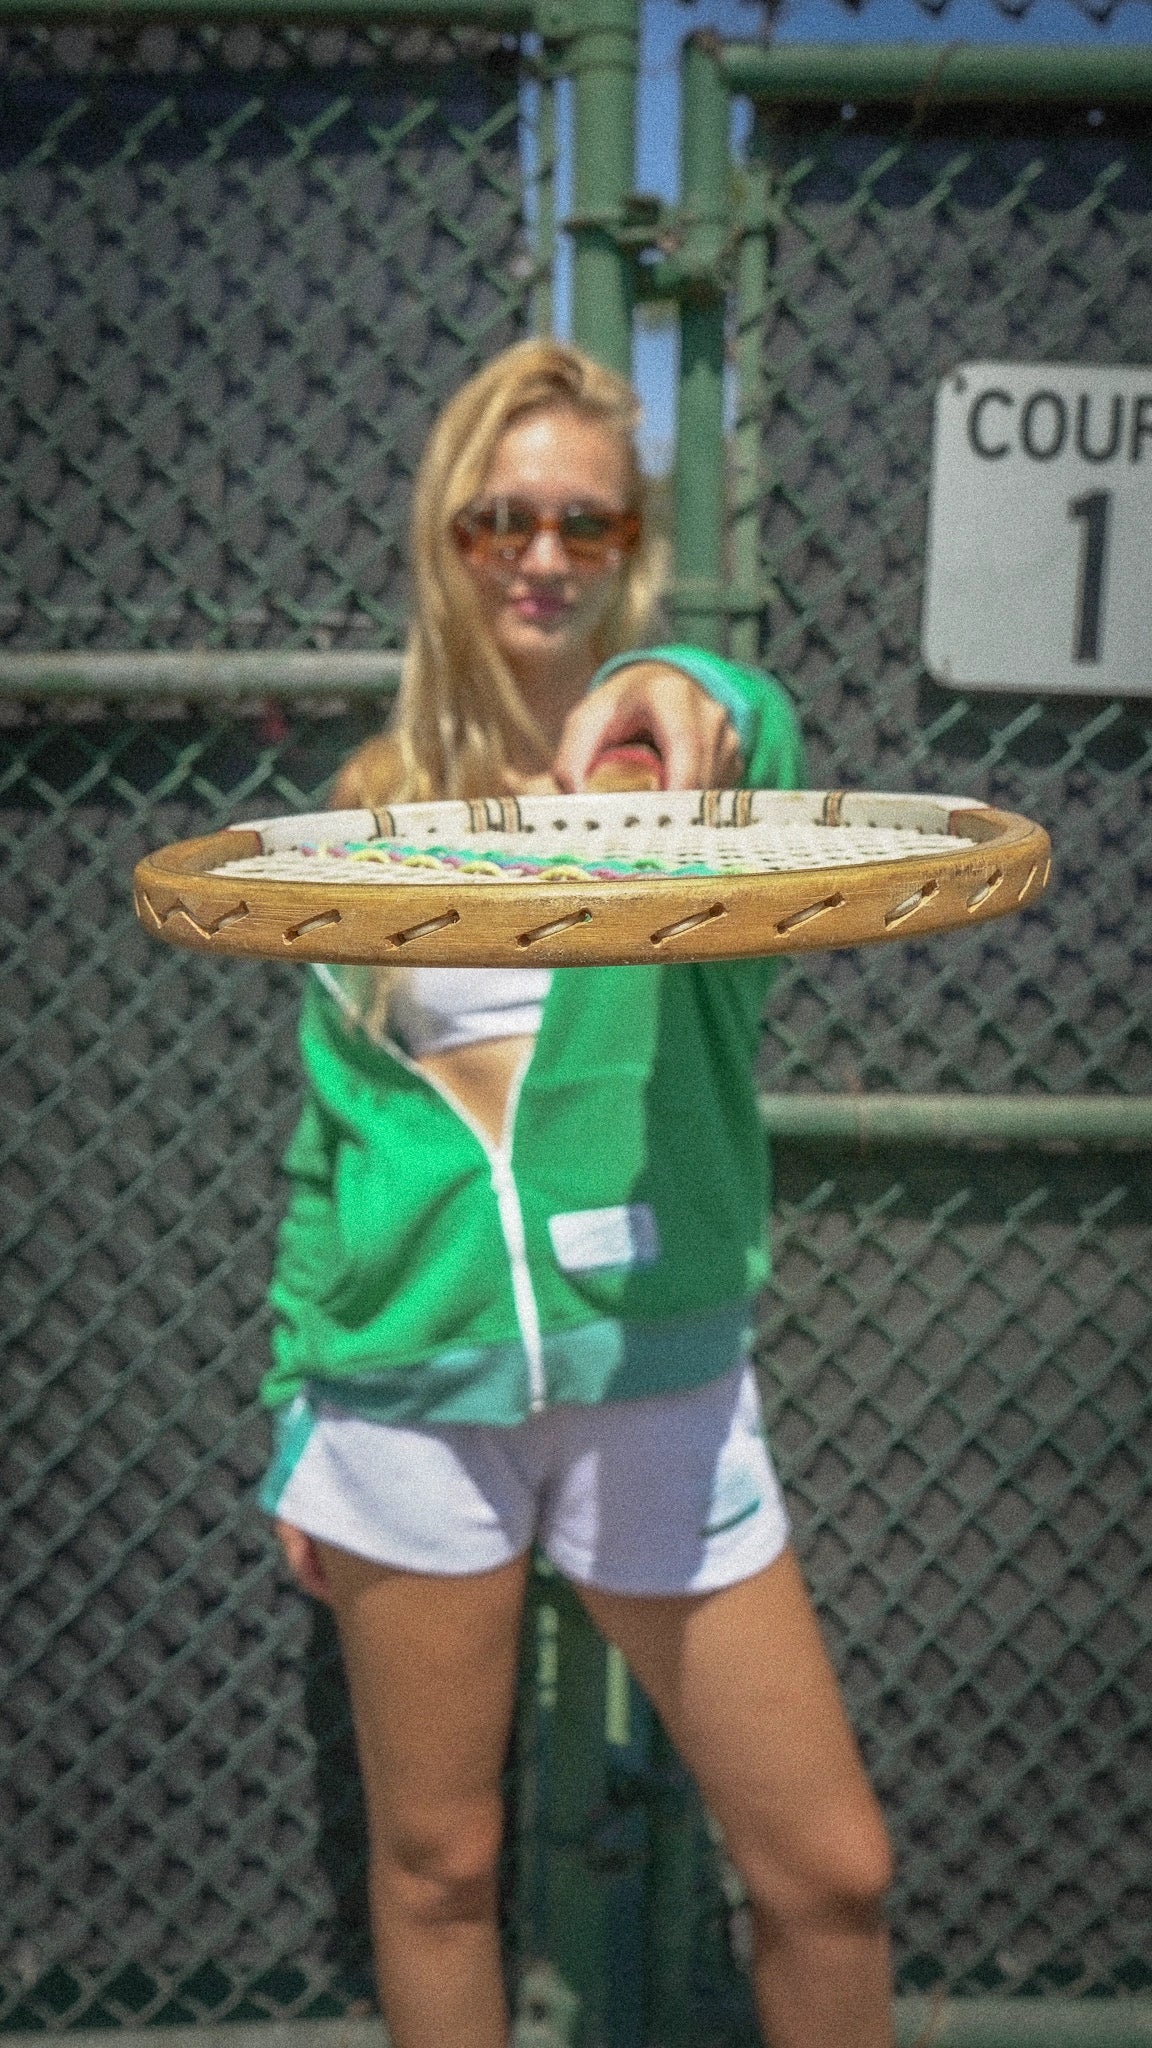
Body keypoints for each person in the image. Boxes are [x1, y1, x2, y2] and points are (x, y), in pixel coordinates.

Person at [262, 339, 895, 2048]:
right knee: (437, 1867)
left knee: (828, 1874)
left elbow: (747, 726)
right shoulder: (368, 820)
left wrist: (692, 690)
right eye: (499, 521)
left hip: (653, 1381)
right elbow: (333, 1154)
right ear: (446, 543)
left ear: (631, 551)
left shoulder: (683, 787)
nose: (541, 556)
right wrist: (292, 1421)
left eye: (585, 523)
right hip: (404, 1397)